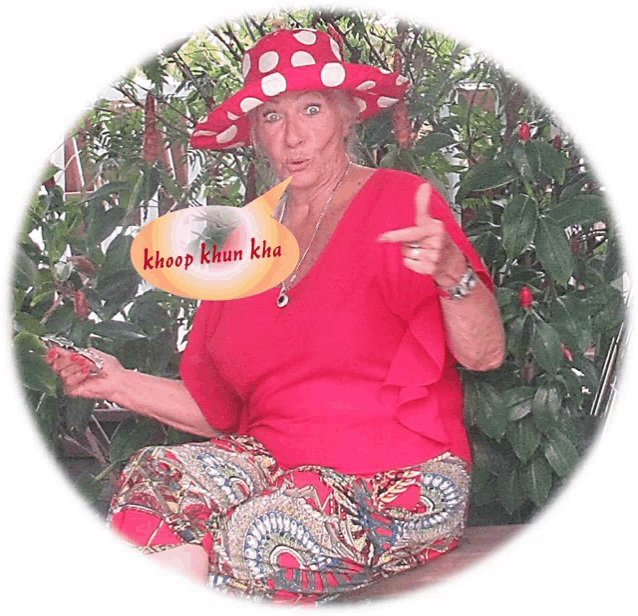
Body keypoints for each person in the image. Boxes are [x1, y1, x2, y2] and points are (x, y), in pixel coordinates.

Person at [45, 27, 505, 603]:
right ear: (254, 134)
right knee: (154, 480)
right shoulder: (240, 244)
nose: (293, 136)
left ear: (346, 114)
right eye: (270, 116)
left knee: (260, 531)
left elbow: (485, 355)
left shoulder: (399, 201)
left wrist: (451, 275)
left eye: (311, 108)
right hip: (273, 462)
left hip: (402, 474)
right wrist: (114, 381)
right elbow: (220, 411)